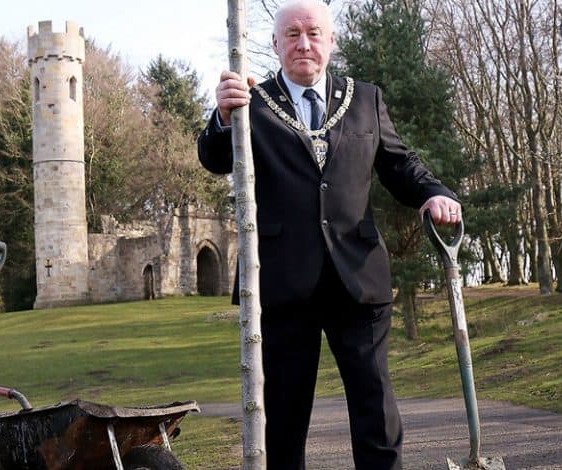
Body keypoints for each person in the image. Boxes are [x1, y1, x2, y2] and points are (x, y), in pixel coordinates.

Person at [197, 1, 462, 468]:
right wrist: (221, 117)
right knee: (281, 420)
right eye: (292, 34)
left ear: (331, 40)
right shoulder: (249, 102)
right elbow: (215, 158)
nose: (304, 43)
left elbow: (401, 164)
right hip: (278, 285)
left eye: (314, 33)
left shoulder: (365, 99)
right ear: (275, 44)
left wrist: (433, 193)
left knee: (376, 412)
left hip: (358, 279)